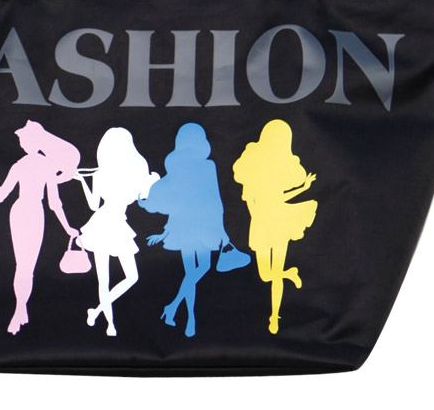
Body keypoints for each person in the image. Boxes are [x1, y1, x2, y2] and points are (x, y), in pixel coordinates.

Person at [0, 120, 80, 335]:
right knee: (26, 267)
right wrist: (67, 227)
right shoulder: (42, 165)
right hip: (31, 213)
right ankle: (19, 310)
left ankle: (21, 310)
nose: (21, 143)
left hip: (21, 212)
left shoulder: (23, 165)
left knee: (23, 266)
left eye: (22, 139)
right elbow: (54, 203)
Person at [138, 122, 229, 338]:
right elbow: (215, 201)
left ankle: (178, 311)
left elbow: (165, 201)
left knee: (193, 271)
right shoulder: (207, 166)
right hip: (203, 226)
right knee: (201, 268)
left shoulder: (176, 167)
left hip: (183, 228)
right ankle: (187, 317)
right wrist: (222, 231)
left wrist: (147, 203)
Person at [233, 119, 317, 334]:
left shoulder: (278, 166)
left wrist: (304, 187)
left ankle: (274, 317)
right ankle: (290, 273)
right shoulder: (253, 171)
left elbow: (280, 198)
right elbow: (252, 203)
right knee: (266, 275)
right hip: (264, 223)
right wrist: (261, 220)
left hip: (279, 220)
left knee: (274, 273)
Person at [75, 127, 158, 337]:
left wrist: (83, 181)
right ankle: (110, 325)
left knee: (130, 277)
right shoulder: (115, 173)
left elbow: (94, 205)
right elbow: (97, 205)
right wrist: (83, 181)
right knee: (107, 279)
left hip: (114, 224)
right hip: (104, 225)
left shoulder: (124, 173)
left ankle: (96, 312)